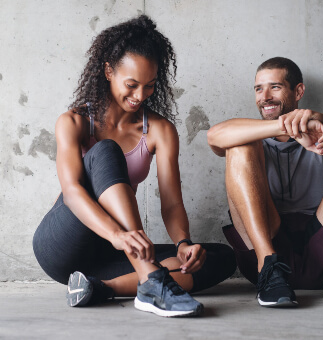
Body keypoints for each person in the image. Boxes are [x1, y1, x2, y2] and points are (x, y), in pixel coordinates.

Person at [33, 15, 236, 318]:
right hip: (65, 242)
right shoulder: (74, 122)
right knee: (106, 151)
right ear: (108, 71)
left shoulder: (160, 130)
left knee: (218, 257)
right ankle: (151, 281)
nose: (140, 96)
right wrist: (116, 234)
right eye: (131, 85)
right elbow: (73, 192)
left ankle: (103, 287)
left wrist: (183, 242)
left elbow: (171, 202)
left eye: (150, 86)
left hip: (113, 253)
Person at [207, 57, 323, 308]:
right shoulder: (251, 136)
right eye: (258, 89)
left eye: (274, 87)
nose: (265, 96)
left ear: (298, 91)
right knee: (239, 147)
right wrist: (282, 127)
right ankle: (269, 267)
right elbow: (215, 136)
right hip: (266, 250)